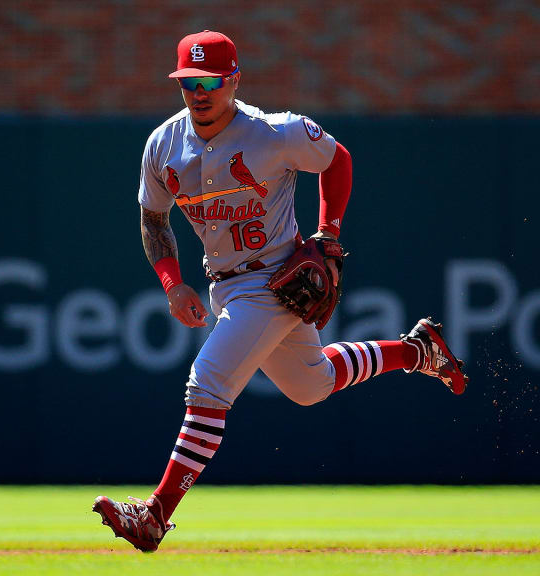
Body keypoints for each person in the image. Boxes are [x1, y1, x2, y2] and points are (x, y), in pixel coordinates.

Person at [92, 30, 468, 553]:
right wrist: (173, 284)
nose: (199, 92)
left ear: (233, 81)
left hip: (274, 277)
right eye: (188, 82)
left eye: (210, 81)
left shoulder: (274, 132)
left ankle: (156, 514)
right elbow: (152, 219)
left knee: (208, 382)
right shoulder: (163, 144)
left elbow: (337, 159)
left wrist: (329, 234)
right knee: (310, 386)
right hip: (223, 281)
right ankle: (416, 350)